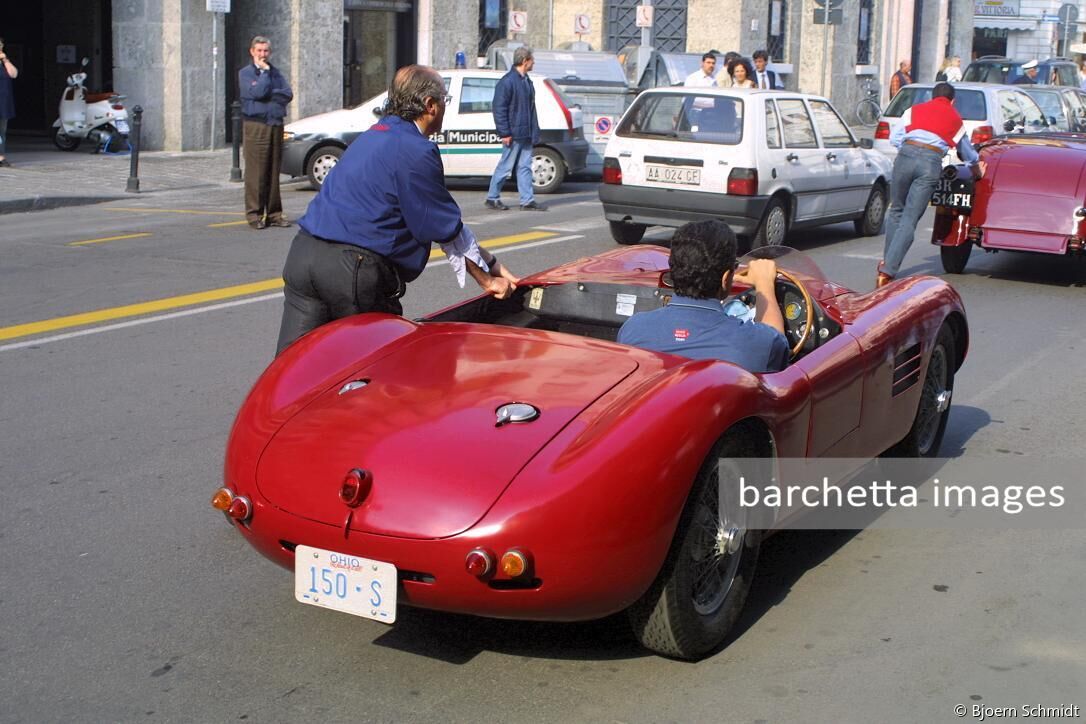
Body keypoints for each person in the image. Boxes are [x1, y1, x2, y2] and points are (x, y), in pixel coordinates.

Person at [275, 65, 519, 355]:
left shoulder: (374, 134)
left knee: (294, 366)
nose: (444, 108)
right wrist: (488, 280)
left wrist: (491, 263)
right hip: (352, 268)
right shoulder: (416, 149)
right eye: (445, 101)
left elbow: (446, 226)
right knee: (374, 368)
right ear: (430, 106)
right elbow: (442, 226)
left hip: (304, 256)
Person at [617, 220, 789, 374]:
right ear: (725, 279)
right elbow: (778, 342)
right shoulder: (755, 344)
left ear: (675, 271)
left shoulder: (632, 330)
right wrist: (764, 285)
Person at [881, 82, 986, 287]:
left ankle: (888, 261)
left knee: (896, 210)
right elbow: (966, 153)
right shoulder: (955, 119)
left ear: (932, 96)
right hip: (930, 161)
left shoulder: (913, 111)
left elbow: (895, 138)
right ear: (952, 101)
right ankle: (888, 269)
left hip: (905, 156)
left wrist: (910, 149)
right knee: (910, 218)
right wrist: (977, 168)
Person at [238, 35, 293, 230]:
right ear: (252, 51)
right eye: (259, 50)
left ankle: (274, 214)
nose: (263, 54)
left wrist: (270, 92)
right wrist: (264, 76)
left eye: (266, 51)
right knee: (256, 173)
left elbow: (287, 94)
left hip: (275, 124)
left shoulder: (275, 72)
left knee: (273, 171)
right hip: (256, 125)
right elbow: (257, 94)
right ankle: (254, 215)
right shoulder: (246, 73)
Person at [485, 46, 546, 212]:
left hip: (525, 133)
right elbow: (499, 108)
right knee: (505, 167)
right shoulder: (507, 82)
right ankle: (492, 197)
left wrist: (534, 131)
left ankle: (527, 200)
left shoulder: (526, 80)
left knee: (525, 167)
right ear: (525, 61)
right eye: (532, 60)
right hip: (513, 133)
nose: (534, 63)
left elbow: (530, 109)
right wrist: (504, 132)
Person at [0, 38, 18, 168]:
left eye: (1, 45)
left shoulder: (4, 63)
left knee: (2, 131)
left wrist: (5, 60)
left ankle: (1, 156)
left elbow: (14, 74)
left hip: (3, 101)